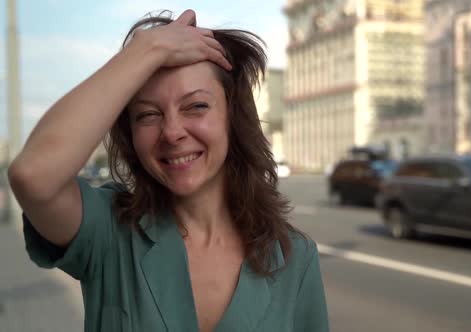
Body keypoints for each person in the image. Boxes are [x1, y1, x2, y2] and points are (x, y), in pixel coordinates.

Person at [8, 9, 329, 332]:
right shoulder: (109, 232)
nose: (172, 132)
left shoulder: (295, 258)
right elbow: (33, 175)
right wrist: (147, 50)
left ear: (233, 118)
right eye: (148, 115)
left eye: (196, 106)